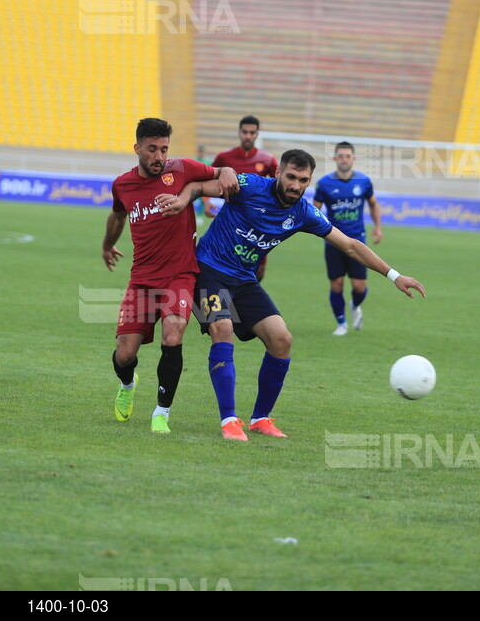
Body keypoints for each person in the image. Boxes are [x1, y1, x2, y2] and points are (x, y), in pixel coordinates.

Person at [158, 149, 425, 441]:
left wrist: (394, 275)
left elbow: (349, 245)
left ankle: (260, 419)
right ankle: (229, 421)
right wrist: (183, 199)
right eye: (291, 177)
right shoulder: (248, 186)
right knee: (222, 328)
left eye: (303, 180)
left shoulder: (303, 212)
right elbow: (198, 187)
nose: (296, 185)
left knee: (282, 339)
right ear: (278, 173)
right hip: (208, 270)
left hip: (245, 281)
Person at [102, 118, 238, 434]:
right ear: (137, 148)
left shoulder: (182, 169)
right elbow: (117, 214)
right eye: (152, 149)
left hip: (180, 274)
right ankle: (127, 384)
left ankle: (161, 413)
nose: (159, 156)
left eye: (164, 149)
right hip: (142, 279)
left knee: (174, 332)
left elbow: (221, 174)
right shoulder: (123, 184)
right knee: (124, 355)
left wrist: (227, 171)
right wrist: (107, 245)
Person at [312, 141, 383, 336]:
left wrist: (377, 227)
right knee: (337, 284)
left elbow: (374, 204)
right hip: (333, 240)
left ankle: (354, 304)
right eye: (340, 156)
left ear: (353, 158)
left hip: (358, 240)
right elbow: (314, 209)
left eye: (347, 156)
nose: (344, 159)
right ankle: (341, 323)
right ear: (335, 158)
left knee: (359, 287)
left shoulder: (364, 182)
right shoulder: (324, 183)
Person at [212, 115, 279, 280]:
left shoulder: (267, 159)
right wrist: (206, 202)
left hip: (257, 225)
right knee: (227, 267)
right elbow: (206, 178)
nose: (248, 136)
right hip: (230, 221)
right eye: (245, 132)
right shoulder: (224, 158)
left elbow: (279, 187)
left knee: (258, 273)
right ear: (239, 133)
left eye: (252, 132)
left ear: (257, 134)